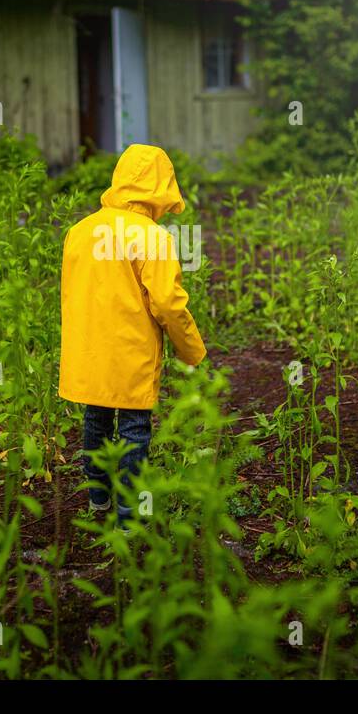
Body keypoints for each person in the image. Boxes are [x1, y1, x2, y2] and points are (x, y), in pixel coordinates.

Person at [58, 144, 207, 529]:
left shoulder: (80, 231)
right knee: (134, 429)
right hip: (131, 350)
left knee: (96, 418)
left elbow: (74, 294)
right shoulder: (152, 237)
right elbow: (169, 305)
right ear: (160, 189)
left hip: (88, 350)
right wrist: (191, 350)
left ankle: (98, 498)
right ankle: (129, 516)